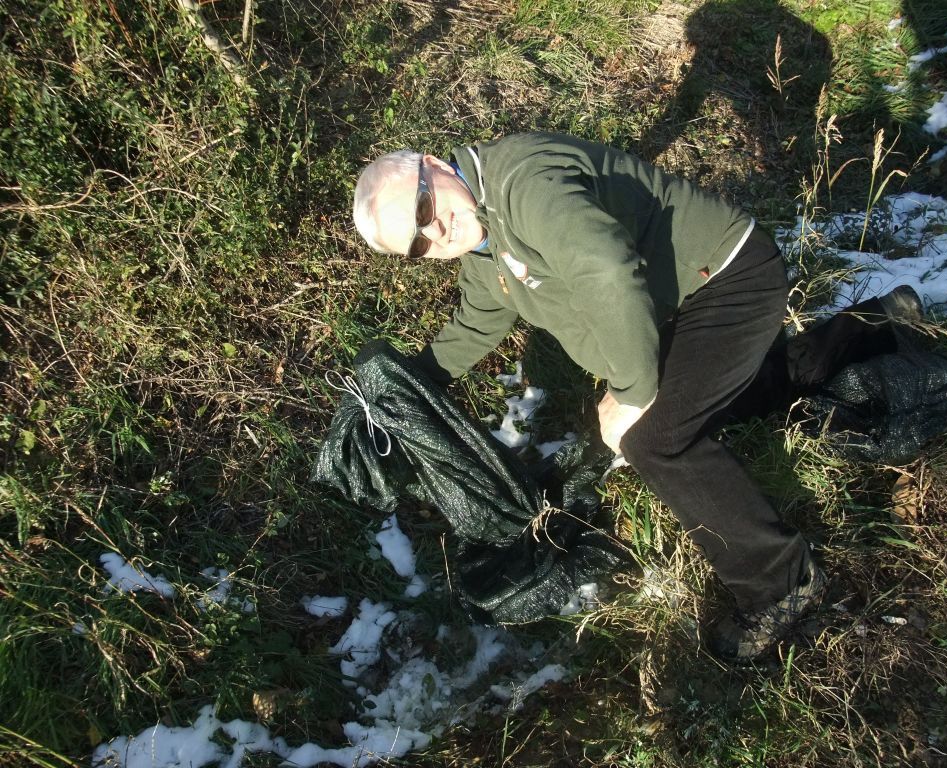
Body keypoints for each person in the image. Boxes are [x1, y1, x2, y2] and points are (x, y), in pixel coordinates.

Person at [351, 132, 917, 661]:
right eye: (416, 245)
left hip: (727, 278)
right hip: (678, 308)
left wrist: (632, 392)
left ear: (434, 165)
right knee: (718, 400)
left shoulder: (524, 182)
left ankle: (784, 584)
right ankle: (875, 327)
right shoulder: (481, 243)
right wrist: (405, 384)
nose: (435, 234)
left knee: (654, 436)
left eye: (423, 210)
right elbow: (478, 320)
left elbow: (606, 271)